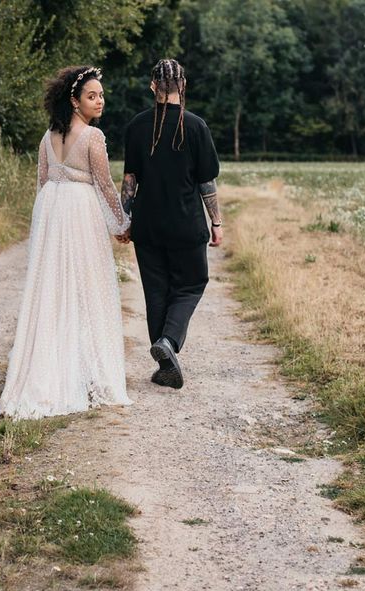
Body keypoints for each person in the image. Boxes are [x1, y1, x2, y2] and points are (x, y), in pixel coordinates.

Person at [0, 66, 132, 419]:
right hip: (79, 212)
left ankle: (52, 369)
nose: (100, 101)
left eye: (101, 95)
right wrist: (122, 223)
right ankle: (85, 373)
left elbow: (43, 182)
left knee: (53, 290)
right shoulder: (92, 137)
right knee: (86, 288)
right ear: (75, 101)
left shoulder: (46, 138)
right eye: (92, 96)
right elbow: (104, 185)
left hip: (53, 211)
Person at [119, 58, 222, 390]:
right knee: (191, 283)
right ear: (183, 86)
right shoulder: (196, 126)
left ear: (153, 87)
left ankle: (164, 362)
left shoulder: (136, 126)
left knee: (156, 291)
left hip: (147, 225)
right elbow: (206, 183)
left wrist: (125, 219)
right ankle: (169, 342)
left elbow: (130, 181)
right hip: (186, 223)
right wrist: (216, 222)